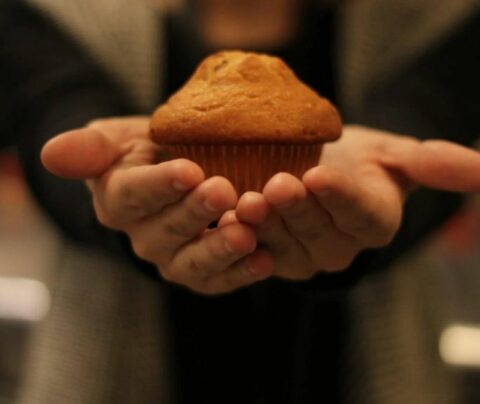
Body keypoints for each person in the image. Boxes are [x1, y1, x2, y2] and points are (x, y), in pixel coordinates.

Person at [2, 0, 480, 402]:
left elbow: (434, 109)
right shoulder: (56, 9)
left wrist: (385, 204)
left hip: (363, 351)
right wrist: (108, 195)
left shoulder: (437, 12)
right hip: (114, 347)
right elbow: (51, 108)